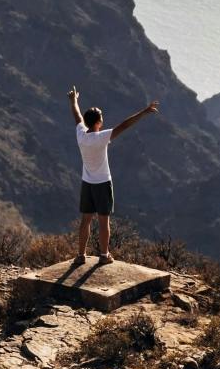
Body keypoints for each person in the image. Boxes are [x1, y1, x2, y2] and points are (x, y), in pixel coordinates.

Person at [68, 86, 159, 263]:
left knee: (85, 220)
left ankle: (80, 255)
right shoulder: (102, 137)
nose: (103, 121)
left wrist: (74, 101)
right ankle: (104, 255)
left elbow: (77, 116)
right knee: (103, 222)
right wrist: (144, 112)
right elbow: (124, 125)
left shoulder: (80, 134)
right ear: (97, 123)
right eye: (101, 119)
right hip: (102, 184)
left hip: (87, 183)